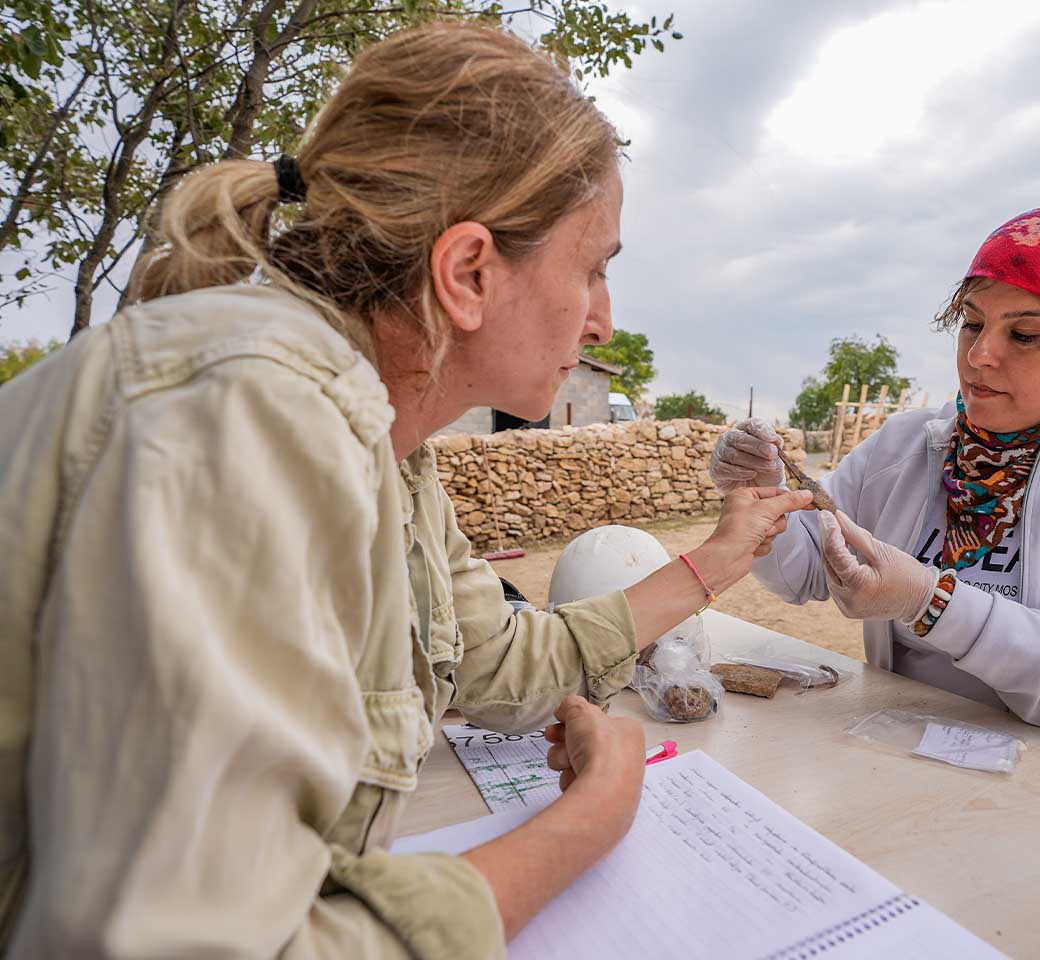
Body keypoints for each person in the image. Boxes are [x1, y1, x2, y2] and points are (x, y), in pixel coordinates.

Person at [0, 23, 813, 957]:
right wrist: (588, 823)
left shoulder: (388, 438)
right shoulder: (254, 420)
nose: (603, 320)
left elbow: (498, 665)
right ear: (468, 273)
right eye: (592, 268)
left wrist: (719, 555)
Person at [710, 207, 1040, 794]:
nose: (979, 357)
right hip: (934, 770)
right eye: (972, 324)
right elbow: (805, 573)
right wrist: (763, 494)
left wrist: (932, 601)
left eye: (1023, 335)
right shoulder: (909, 445)